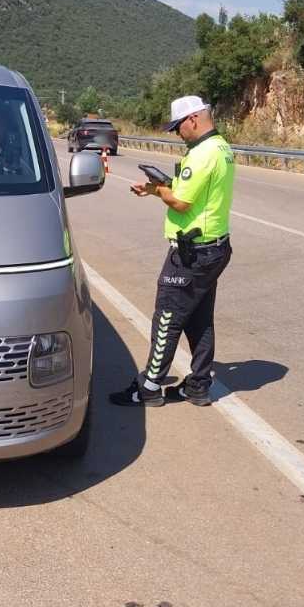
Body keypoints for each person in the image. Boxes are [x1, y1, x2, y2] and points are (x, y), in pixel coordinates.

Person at [109, 95, 235, 407]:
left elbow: (181, 201)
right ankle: (198, 384)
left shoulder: (202, 154)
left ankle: (149, 386)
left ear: (193, 119)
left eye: (179, 127)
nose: (178, 133)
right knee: (199, 319)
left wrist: (159, 190)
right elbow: (187, 193)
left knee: (167, 315)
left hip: (192, 253)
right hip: (214, 248)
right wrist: (157, 188)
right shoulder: (222, 147)